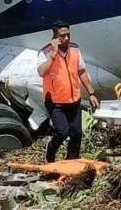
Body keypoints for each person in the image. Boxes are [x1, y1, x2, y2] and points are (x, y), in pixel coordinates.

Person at [37, 21, 100, 163]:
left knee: (77, 133)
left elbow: (81, 71)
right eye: (62, 36)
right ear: (55, 37)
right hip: (55, 101)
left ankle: (72, 161)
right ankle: (50, 153)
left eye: (68, 35)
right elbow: (41, 71)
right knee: (62, 132)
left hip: (73, 99)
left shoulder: (75, 50)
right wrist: (52, 55)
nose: (66, 39)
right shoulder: (45, 52)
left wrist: (91, 93)